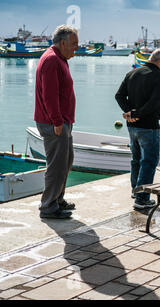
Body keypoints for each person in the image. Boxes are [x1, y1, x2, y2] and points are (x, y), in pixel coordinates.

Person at [115, 48, 160, 210]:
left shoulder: (132, 73)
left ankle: (136, 190)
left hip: (132, 126)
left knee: (136, 159)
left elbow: (119, 95)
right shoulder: (158, 77)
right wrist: (136, 114)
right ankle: (141, 198)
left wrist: (129, 112)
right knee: (149, 161)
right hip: (148, 126)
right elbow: (154, 103)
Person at [34, 25, 79, 219]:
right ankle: (48, 207)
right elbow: (49, 95)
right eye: (74, 44)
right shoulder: (52, 60)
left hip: (62, 122)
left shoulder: (59, 58)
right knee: (56, 166)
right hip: (55, 123)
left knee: (66, 162)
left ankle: (58, 199)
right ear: (63, 43)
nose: (76, 48)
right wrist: (57, 122)